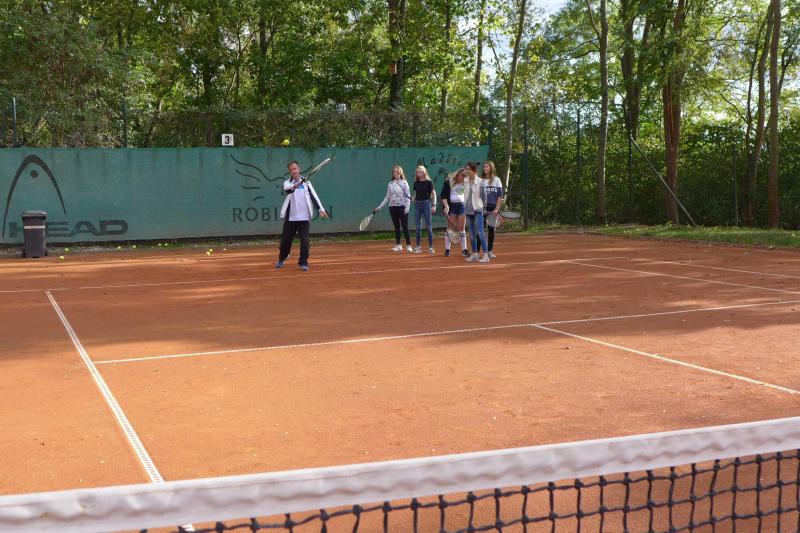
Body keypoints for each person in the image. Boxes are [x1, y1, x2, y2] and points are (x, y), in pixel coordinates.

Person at [276, 160, 328, 271]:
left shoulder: (307, 183)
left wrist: (320, 209)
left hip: (304, 217)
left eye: (295, 168)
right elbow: (286, 189)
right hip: (291, 217)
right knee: (285, 241)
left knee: (305, 241)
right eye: (291, 170)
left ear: (298, 169)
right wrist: (295, 185)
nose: (293, 171)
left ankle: (303, 262)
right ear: (289, 172)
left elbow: (314, 196)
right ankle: (282, 258)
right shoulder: (287, 182)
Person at [373, 165, 412, 252]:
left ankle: (409, 245)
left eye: (397, 172)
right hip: (392, 207)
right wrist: (380, 207)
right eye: (394, 172)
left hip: (402, 207)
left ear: (400, 173)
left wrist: (407, 207)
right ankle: (398, 245)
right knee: (396, 226)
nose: (395, 173)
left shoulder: (404, 183)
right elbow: (387, 197)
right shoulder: (390, 184)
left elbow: (408, 196)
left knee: (405, 226)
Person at [464, 162, 490, 263]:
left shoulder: (480, 182)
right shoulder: (465, 181)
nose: (467, 171)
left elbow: (484, 197)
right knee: (471, 234)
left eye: (469, 169)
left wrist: (483, 209)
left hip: (478, 210)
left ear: (474, 171)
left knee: (480, 232)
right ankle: (475, 254)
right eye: (466, 169)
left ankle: (486, 256)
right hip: (468, 210)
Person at [440, 168, 469, 258]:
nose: (462, 178)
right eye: (461, 175)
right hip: (452, 206)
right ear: (457, 174)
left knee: (462, 228)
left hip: (461, 206)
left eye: (464, 176)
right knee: (450, 228)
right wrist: (446, 206)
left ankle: (464, 250)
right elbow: (443, 195)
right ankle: (447, 250)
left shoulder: (466, 183)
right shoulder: (449, 182)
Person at [480, 160, 504, 259]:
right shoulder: (480, 180)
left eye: (487, 166)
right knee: (480, 231)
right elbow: (478, 196)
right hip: (482, 209)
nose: (485, 168)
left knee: (491, 231)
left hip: (493, 208)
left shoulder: (497, 180)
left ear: (491, 168)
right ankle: (476, 252)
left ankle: (489, 251)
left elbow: (500, 196)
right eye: (484, 167)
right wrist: (482, 208)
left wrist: (496, 209)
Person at [411, 165, 437, 254]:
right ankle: (418, 246)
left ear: (424, 172)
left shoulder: (429, 182)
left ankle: (431, 247)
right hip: (417, 205)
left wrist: (434, 205)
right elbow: (416, 193)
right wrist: (413, 198)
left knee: (428, 227)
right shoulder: (416, 183)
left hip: (426, 204)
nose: (418, 173)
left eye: (420, 172)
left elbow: (434, 194)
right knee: (418, 227)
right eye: (417, 172)